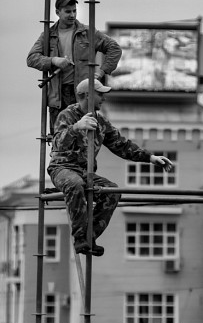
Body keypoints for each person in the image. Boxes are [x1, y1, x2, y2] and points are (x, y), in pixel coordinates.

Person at [47, 78, 173, 256]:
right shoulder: (67, 115)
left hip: (85, 172)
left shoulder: (100, 121)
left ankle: (89, 237)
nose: (103, 98)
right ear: (87, 95)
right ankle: (80, 237)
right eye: (100, 94)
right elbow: (58, 143)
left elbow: (121, 145)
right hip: (62, 168)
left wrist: (150, 158)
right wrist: (76, 127)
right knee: (75, 184)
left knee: (112, 192)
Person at [27, 0, 122, 133]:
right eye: (68, 11)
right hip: (58, 98)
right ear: (57, 12)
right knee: (60, 138)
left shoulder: (87, 32)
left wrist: (101, 73)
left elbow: (114, 48)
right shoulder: (48, 35)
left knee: (84, 138)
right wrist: (54, 60)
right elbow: (32, 58)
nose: (72, 15)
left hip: (82, 95)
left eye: (74, 11)